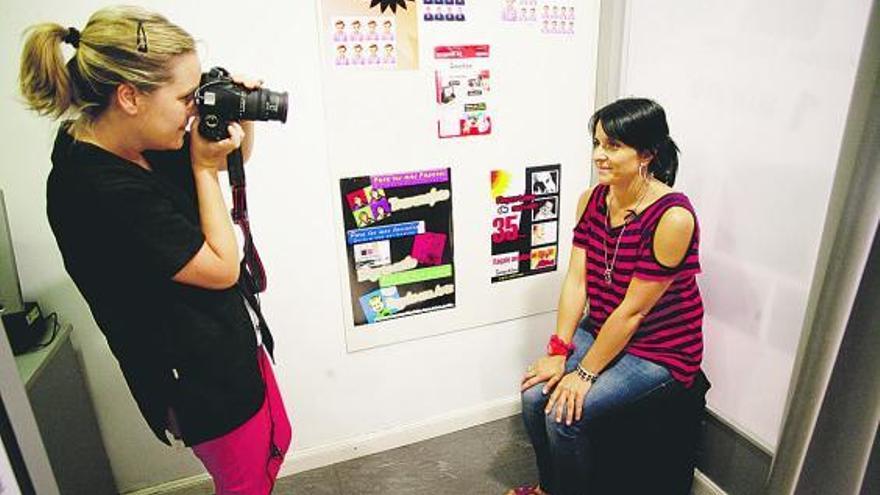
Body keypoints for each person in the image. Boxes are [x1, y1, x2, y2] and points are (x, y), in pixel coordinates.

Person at [18, 6, 291, 495]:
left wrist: (238, 116)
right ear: (129, 96)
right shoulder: (96, 189)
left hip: (227, 348)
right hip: (200, 380)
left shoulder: (137, 138)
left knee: (271, 448)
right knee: (247, 482)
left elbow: (233, 158)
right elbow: (222, 268)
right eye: (187, 97)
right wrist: (204, 170)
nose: (194, 109)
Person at [508, 98, 703, 495]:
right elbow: (576, 281)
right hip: (602, 329)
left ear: (647, 152)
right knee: (534, 395)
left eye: (613, 146)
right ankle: (550, 488)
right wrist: (559, 349)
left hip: (658, 348)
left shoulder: (673, 217)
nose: (599, 155)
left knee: (565, 415)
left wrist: (583, 374)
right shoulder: (593, 199)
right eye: (597, 143)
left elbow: (632, 313)